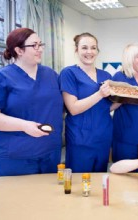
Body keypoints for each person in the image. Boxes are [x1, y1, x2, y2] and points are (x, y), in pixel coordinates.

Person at [0, 28, 64, 176]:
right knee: (18, 198)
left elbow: (62, 106)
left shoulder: (51, 75)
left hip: (50, 152)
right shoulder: (0, 78)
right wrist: (24, 125)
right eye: (34, 45)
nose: (40, 49)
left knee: (48, 197)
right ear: (19, 50)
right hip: (16, 156)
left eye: (40, 44)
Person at [59, 32, 113, 172]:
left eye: (93, 48)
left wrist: (128, 98)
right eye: (84, 47)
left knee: (99, 179)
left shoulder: (106, 76)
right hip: (80, 138)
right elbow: (73, 108)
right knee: (79, 183)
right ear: (76, 50)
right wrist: (100, 93)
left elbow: (106, 107)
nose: (89, 52)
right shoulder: (69, 73)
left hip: (103, 136)